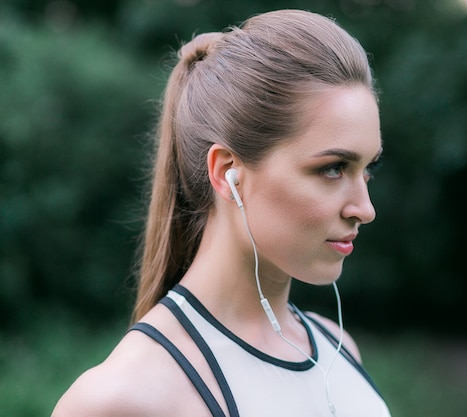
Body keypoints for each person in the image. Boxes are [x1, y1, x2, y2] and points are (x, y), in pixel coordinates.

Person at [52, 9, 390, 417]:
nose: (365, 209)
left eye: (366, 169)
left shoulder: (338, 348)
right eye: (333, 168)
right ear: (228, 173)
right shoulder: (127, 397)